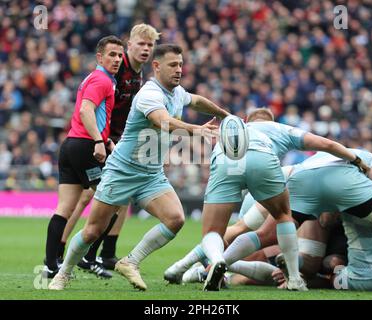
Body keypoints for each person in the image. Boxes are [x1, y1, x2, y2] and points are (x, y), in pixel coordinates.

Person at [48, 44, 231, 291]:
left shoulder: (177, 92)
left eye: (180, 64)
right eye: (173, 65)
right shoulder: (149, 94)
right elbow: (162, 121)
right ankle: (63, 272)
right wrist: (196, 130)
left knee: (175, 219)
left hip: (150, 175)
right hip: (121, 171)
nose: (179, 70)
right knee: (92, 231)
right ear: (156, 66)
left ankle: (130, 261)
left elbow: (196, 100)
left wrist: (224, 114)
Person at [170, 108, 368, 291]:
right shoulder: (279, 129)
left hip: (227, 163)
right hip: (266, 177)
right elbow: (327, 144)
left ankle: (192, 265)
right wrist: (357, 160)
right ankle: (293, 277)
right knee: (282, 221)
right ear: (272, 121)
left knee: (216, 232)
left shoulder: (235, 131)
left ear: (246, 121)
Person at [58, 24, 161, 275]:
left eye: (150, 45)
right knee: (87, 197)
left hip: (117, 139)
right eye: (141, 44)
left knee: (121, 196)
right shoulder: (116, 66)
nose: (146, 49)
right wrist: (101, 140)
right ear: (130, 45)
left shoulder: (138, 73)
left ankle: (103, 254)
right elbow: (95, 102)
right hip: (101, 139)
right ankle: (63, 253)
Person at [222, 148, 372, 291]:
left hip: (294, 184)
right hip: (280, 194)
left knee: (265, 237)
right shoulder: (365, 174)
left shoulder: (333, 166)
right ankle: (294, 268)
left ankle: (211, 263)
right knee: (308, 260)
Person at [42, 36, 124, 278]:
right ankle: (88, 257)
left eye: (120, 55)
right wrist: (99, 141)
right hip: (87, 147)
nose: (117, 59)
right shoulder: (102, 80)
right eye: (112, 54)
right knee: (114, 202)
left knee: (65, 208)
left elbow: (92, 114)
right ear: (100, 57)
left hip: (71, 145)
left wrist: (105, 137)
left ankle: (50, 264)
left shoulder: (93, 78)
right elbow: (85, 109)